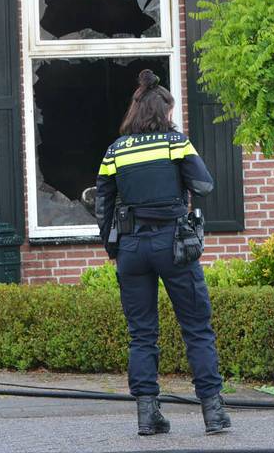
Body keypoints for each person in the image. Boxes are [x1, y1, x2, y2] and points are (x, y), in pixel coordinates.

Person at [94, 69, 230, 436]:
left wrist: (113, 247)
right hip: (174, 244)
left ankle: (147, 415)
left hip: (132, 248)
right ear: (164, 111)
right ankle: (213, 414)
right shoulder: (174, 142)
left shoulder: (115, 150)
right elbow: (204, 184)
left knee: (141, 334)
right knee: (197, 329)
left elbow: (103, 205)